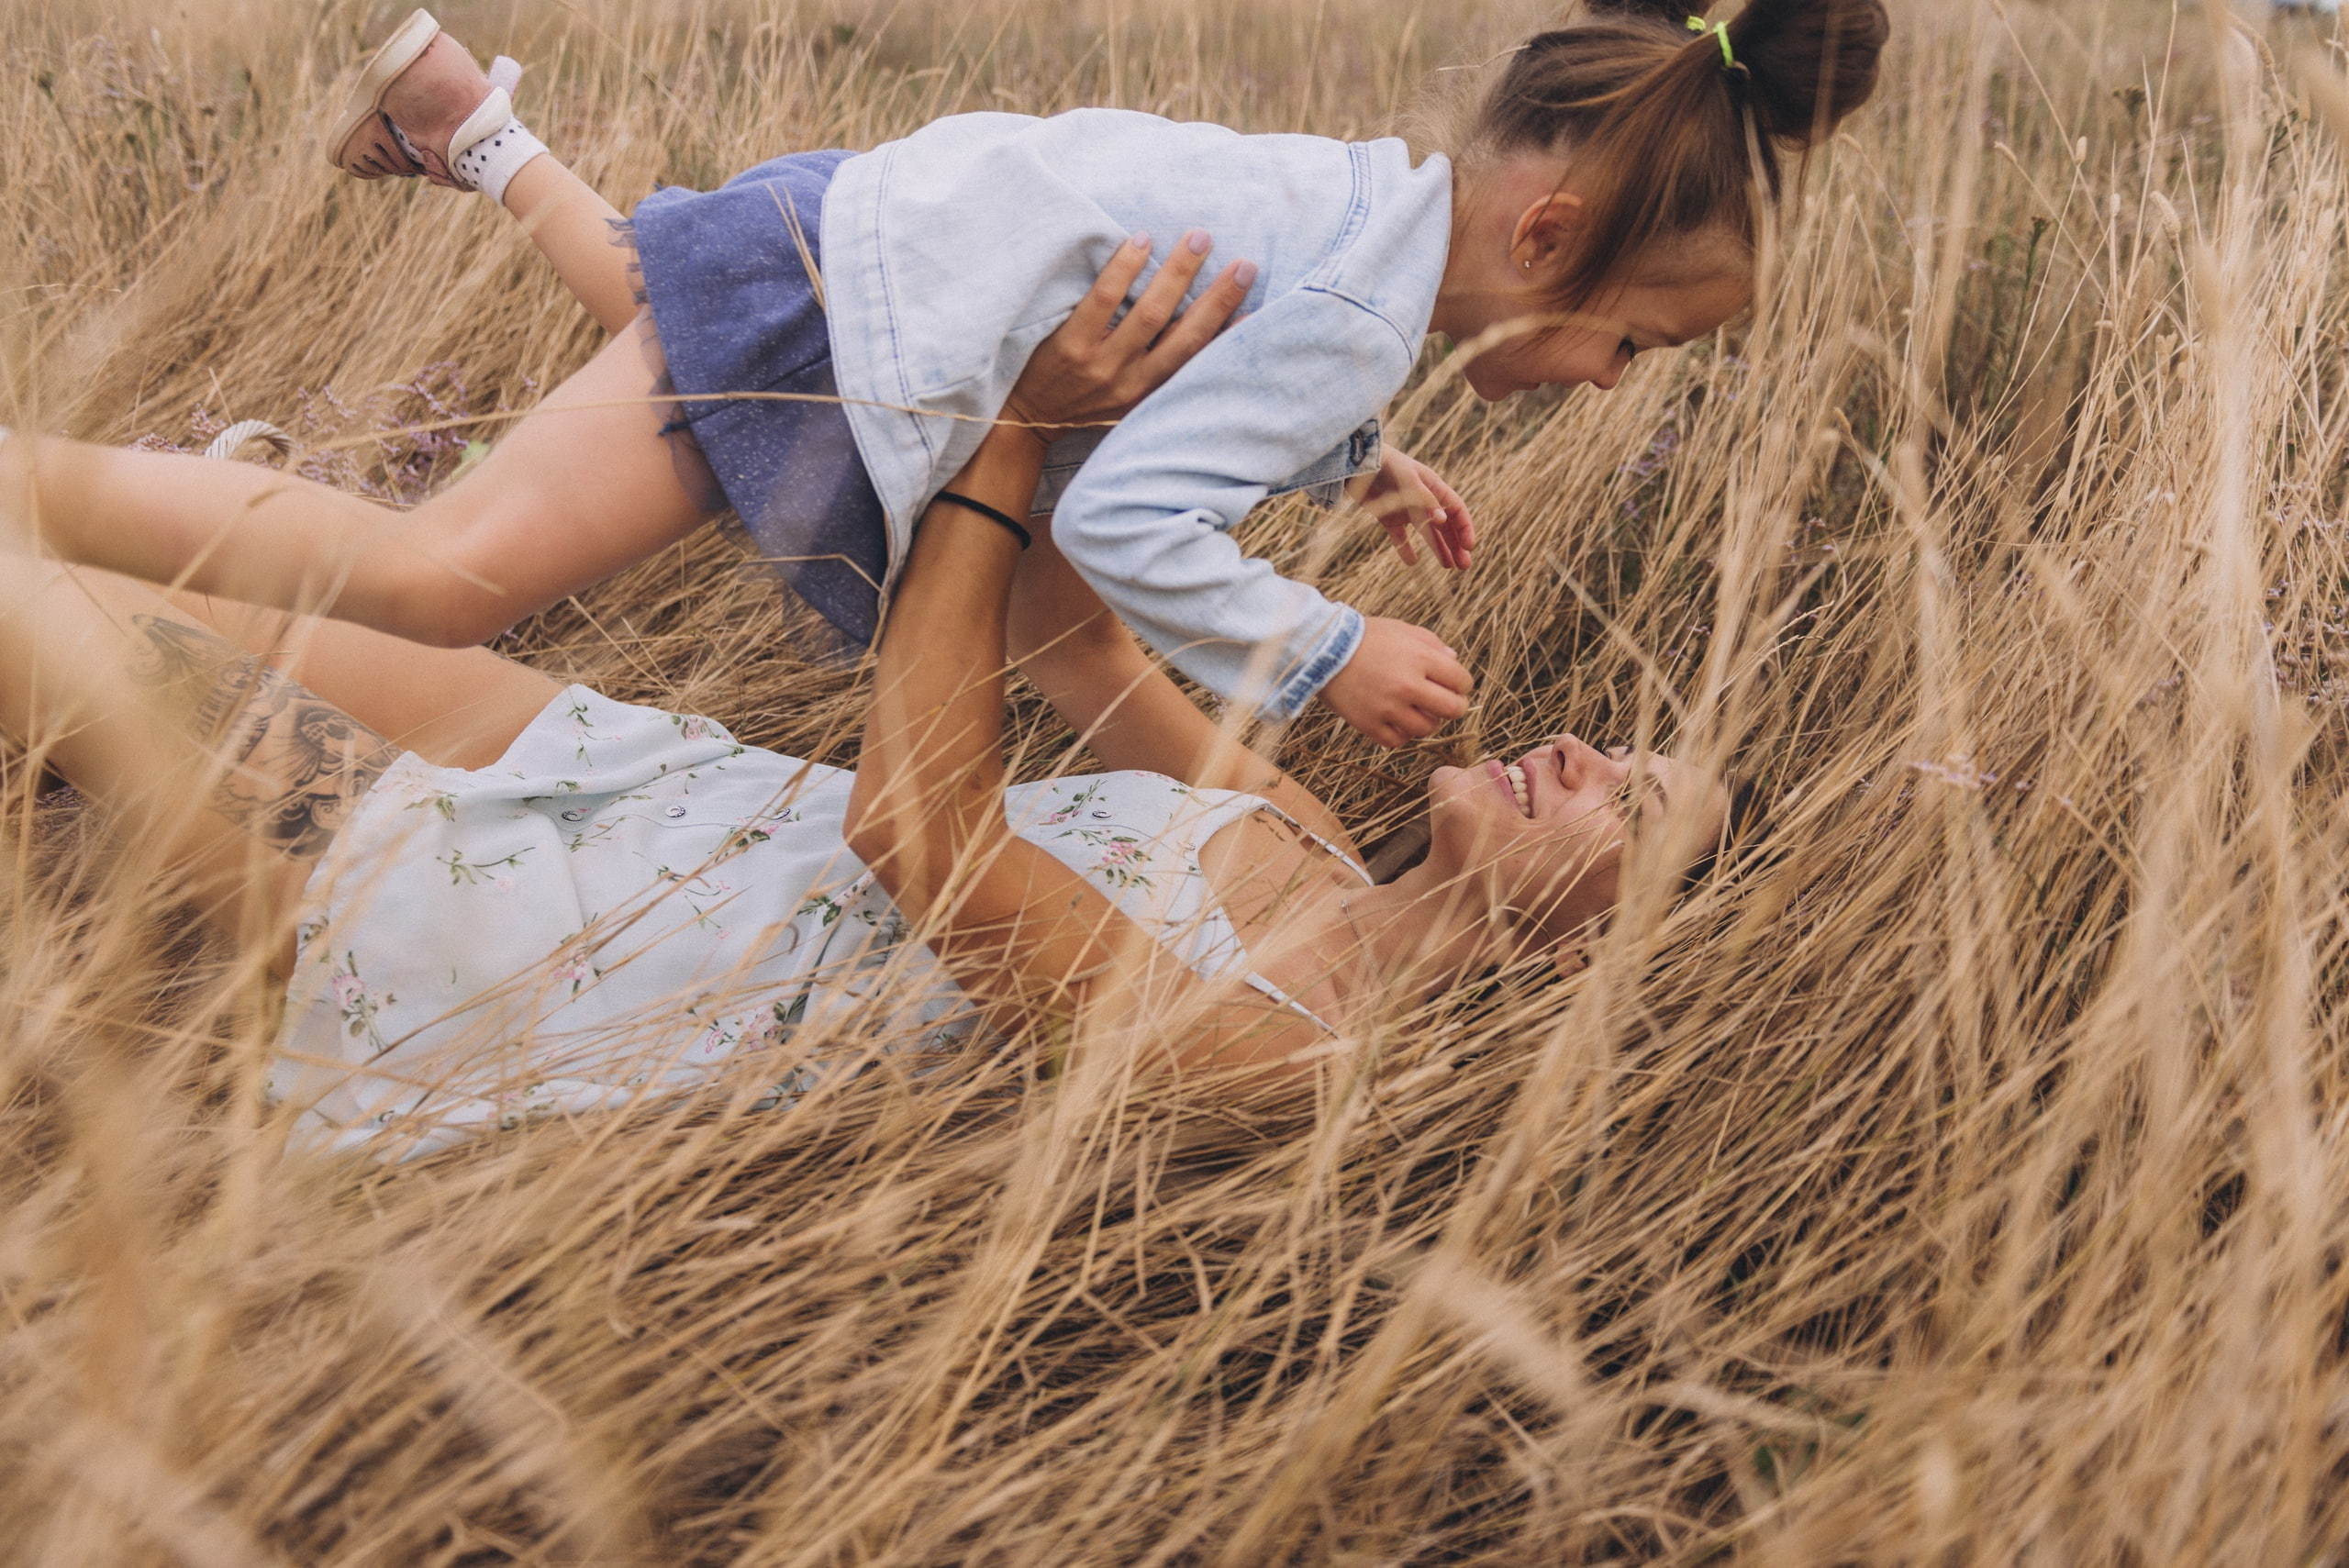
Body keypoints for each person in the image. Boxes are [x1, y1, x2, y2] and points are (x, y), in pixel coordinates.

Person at [0, 241, 1735, 1162]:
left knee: (35, 612)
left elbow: (916, 826)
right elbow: (1075, 649)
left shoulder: (1274, 1054)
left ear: (1591, 954)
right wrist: (1220, 420)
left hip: (544, 934)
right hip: (640, 785)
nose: (1581, 750)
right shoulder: (1290, 824)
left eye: (1629, 802)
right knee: (188, 572)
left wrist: (992, 465)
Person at [0, 0, 1887, 749]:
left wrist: (1355, 458)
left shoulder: (1377, 228)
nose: (1617, 383)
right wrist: (1324, 645)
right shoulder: (1356, 307)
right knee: (441, 575)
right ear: (1548, 239)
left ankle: (469, 128)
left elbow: (1242, 350)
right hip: (850, 322)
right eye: (1634, 342)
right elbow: (1146, 510)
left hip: (860, 256)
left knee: (650, 346)